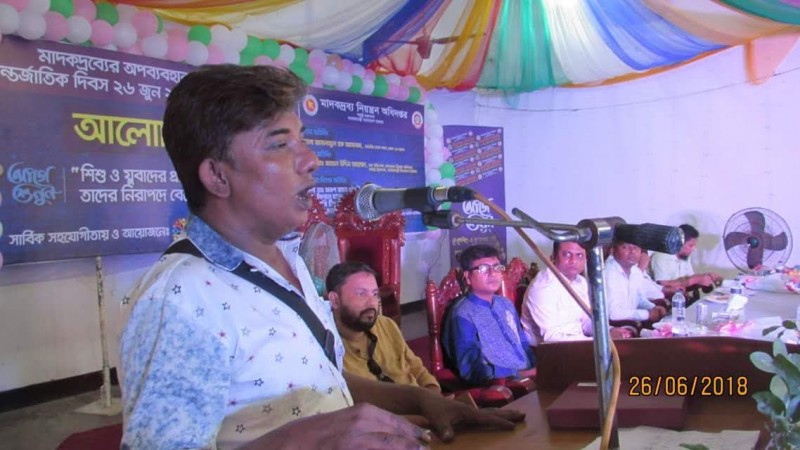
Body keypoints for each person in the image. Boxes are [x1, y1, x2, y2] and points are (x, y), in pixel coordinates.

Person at [118, 64, 523, 450]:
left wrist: (420, 400)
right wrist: (304, 440)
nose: (311, 159)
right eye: (280, 144)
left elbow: (321, 384)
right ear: (217, 176)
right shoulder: (180, 299)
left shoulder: (290, 261)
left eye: (302, 139)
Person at [327, 261, 440, 392]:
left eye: (375, 294)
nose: (372, 303)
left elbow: (417, 369)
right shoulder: (328, 350)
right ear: (335, 300)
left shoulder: (386, 325)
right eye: (361, 294)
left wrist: (433, 395)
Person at [443, 245, 536, 385]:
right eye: (483, 269)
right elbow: (472, 368)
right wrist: (519, 374)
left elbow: (522, 342)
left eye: (497, 267)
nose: (493, 273)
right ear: (468, 277)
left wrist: (538, 367)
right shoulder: (463, 315)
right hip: (502, 385)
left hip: (531, 376)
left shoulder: (505, 304)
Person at [521, 241, 633, 344]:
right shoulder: (543, 287)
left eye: (579, 255)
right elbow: (552, 338)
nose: (573, 261)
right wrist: (601, 341)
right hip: (547, 351)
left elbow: (587, 323)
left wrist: (609, 331)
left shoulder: (581, 282)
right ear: (554, 257)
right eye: (567, 255)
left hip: (577, 345)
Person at [605, 241, 670, 322]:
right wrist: (647, 314)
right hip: (613, 325)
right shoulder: (608, 273)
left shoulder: (635, 271)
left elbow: (640, 300)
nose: (632, 251)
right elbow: (613, 313)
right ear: (612, 250)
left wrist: (654, 308)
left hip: (631, 321)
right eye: (625, 247)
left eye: (636, 247)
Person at [650, 224, 722, 289]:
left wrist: (706, 277)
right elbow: (664, 288)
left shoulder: (685, 255)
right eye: (691, 245)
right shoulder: (661, 256)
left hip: (681, 296)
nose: (693, 249)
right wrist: (695, 280)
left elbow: (688, 278)